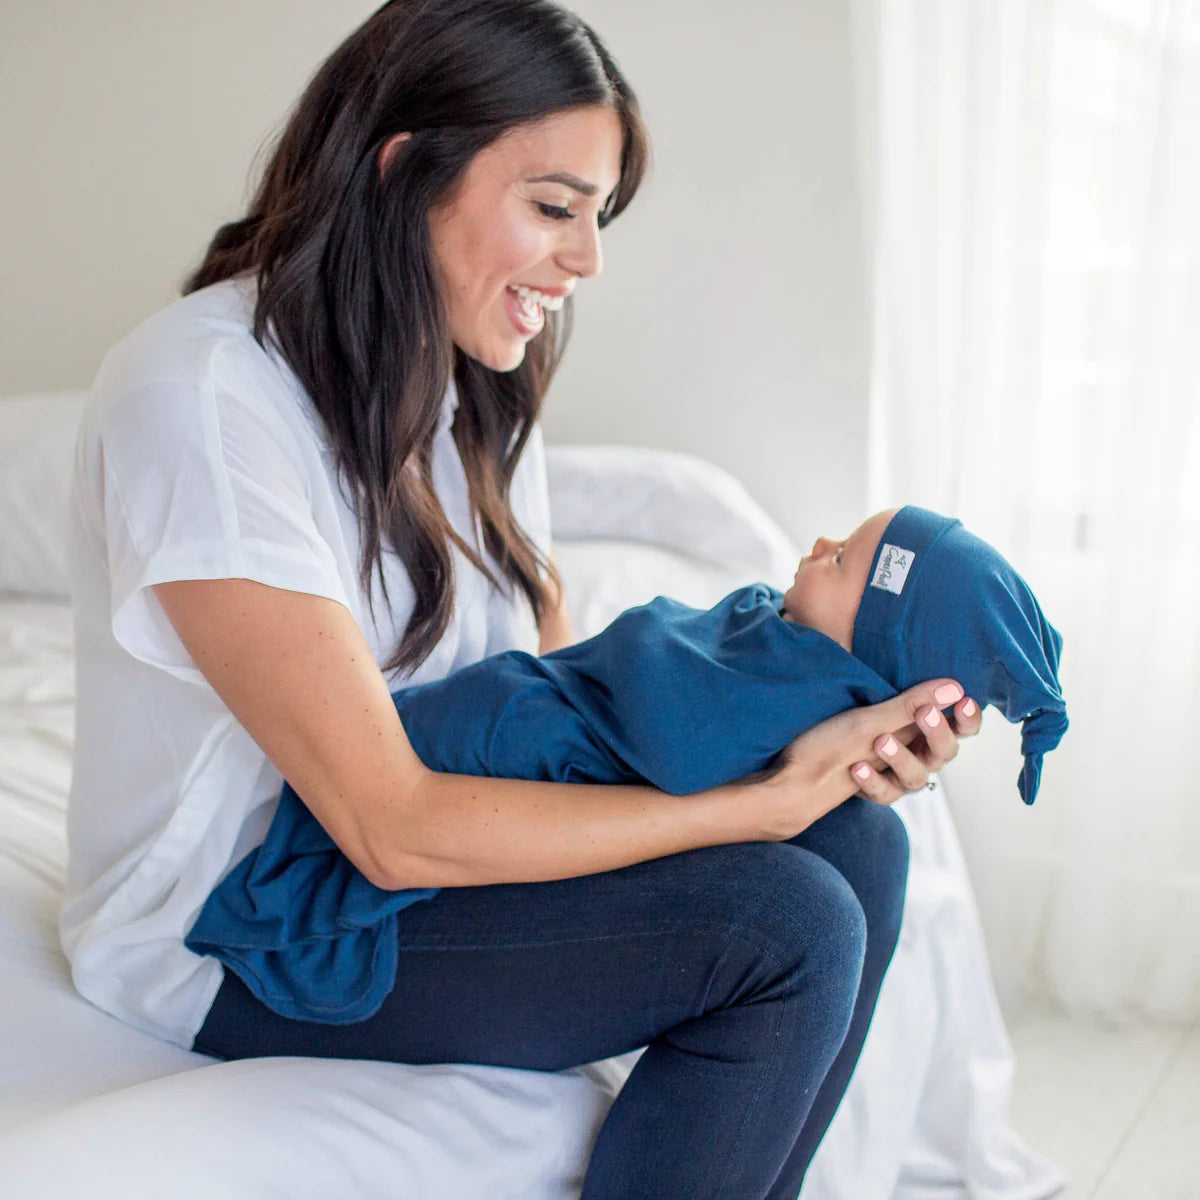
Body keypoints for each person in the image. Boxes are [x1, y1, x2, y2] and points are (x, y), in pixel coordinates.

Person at [59, 3, 985, 1196]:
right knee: (783, 922)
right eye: (555, 207)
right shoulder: (197, 399)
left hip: (416, 863)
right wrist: (748, 813)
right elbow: (389, 828)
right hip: (245, 927)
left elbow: (555, 706)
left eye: (598, 216)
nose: (588, 259)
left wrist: (801, 737)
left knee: (858, 839)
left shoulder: (467, 387)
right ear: (403, 172)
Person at [187, 503, 1067, 1024]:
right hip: (421, 788)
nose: (812, 549)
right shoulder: (785, 647)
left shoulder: (794, 683)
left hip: (525, 739)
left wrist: (813, 777)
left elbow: (671, 732)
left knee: (868, 843)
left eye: (839, 562)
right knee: (799, 910)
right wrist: (770, 799)